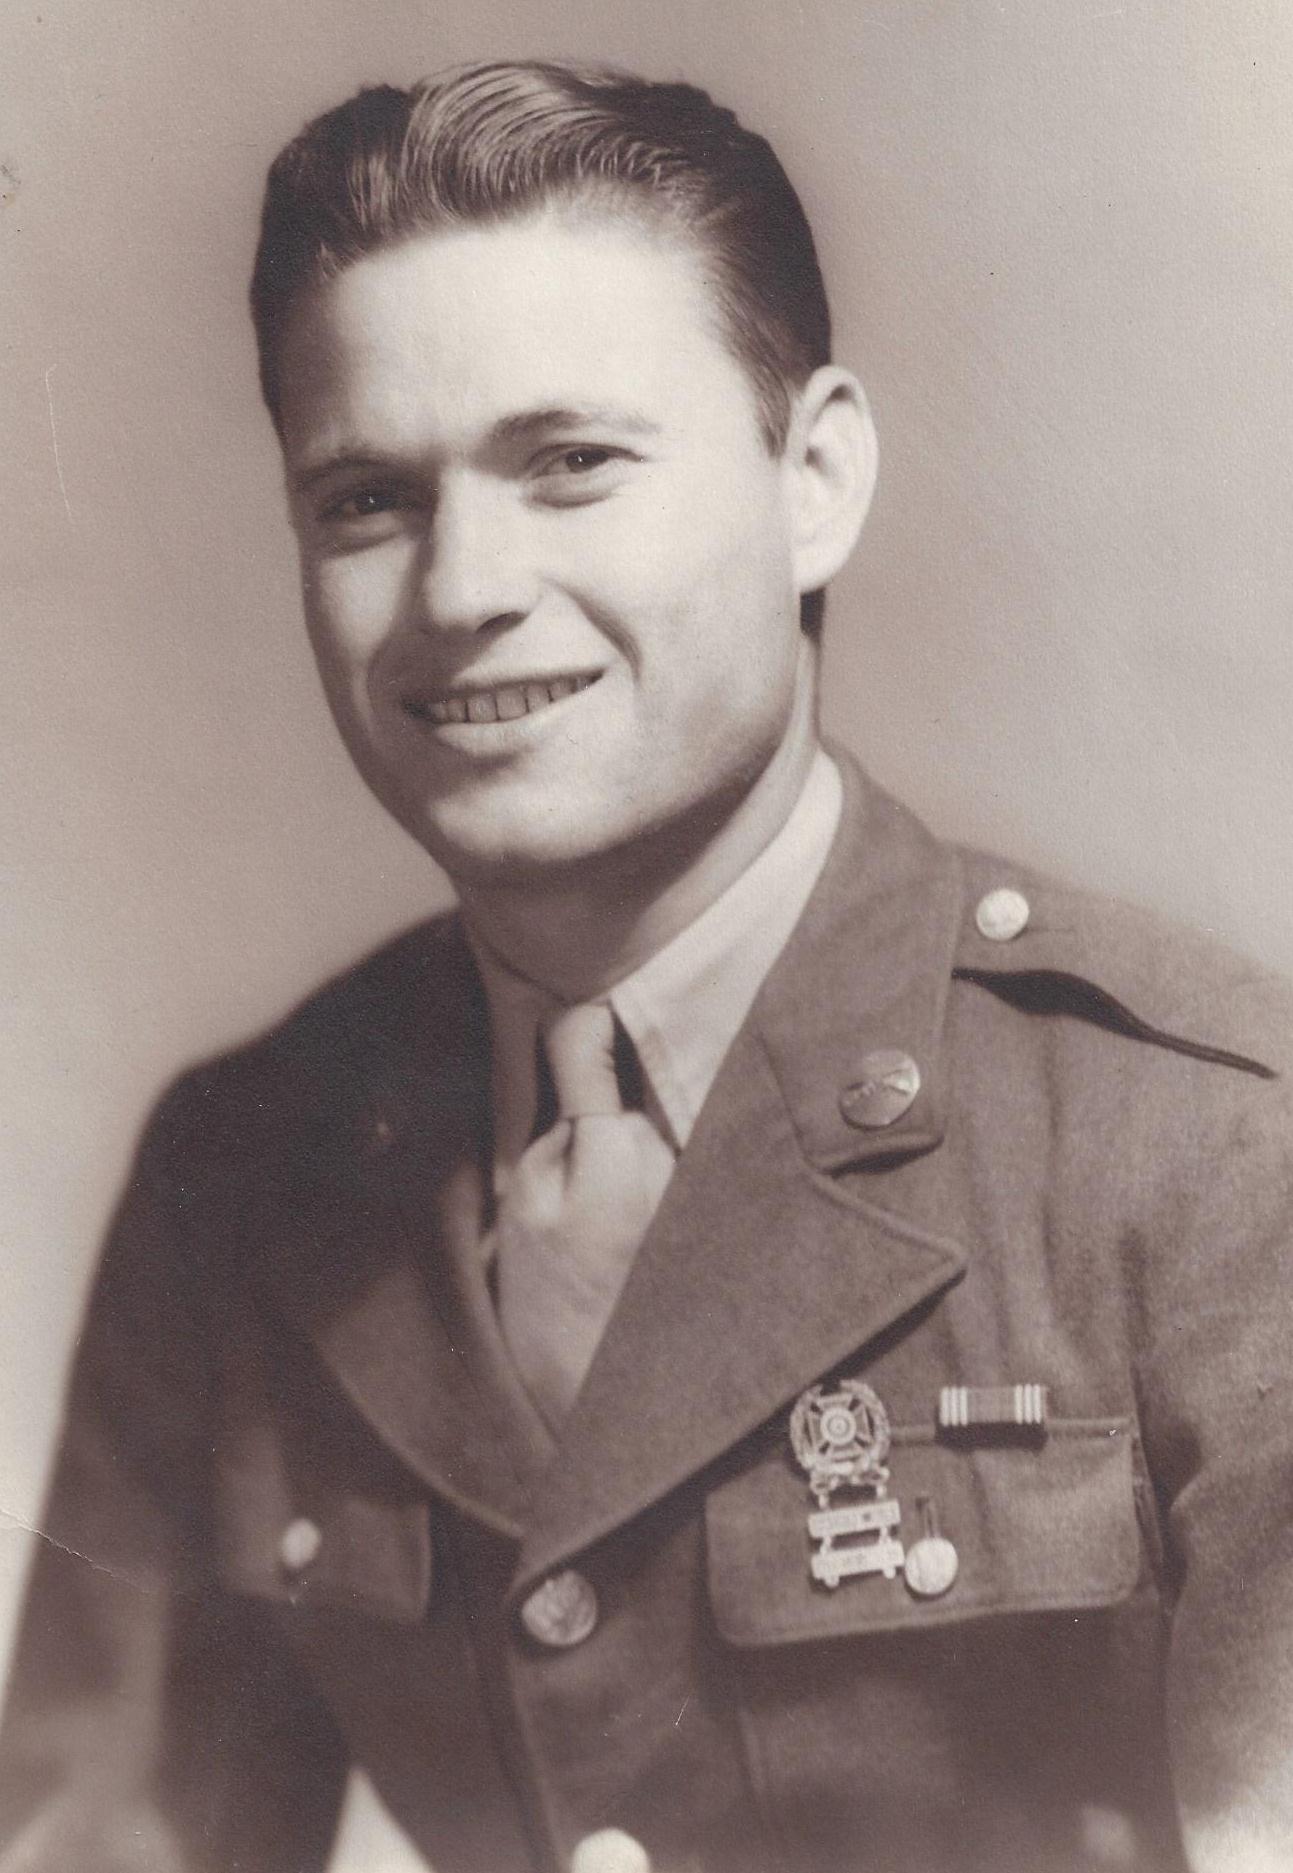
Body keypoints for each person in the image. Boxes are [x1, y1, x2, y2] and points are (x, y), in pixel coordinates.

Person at [1, 56, 1291, 1873]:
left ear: (814, 478)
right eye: (366, 499)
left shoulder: (1208, 1158)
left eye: (571, 465)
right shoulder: (244, 1173)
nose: (460, 588)